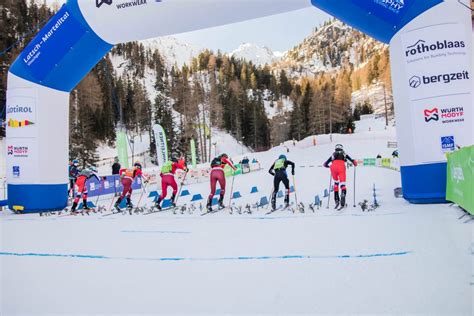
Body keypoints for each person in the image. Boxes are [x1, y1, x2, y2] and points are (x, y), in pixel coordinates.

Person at [323, 144, 357, 208]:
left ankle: (336, 200)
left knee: (336, 183)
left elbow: (325, 164)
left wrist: (329, 166)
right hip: (341, 167)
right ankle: (343, 194)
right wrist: (354, 162)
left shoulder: (333, 154)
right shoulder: (344, 154)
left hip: (333, 167)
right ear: (342, 148)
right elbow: (352, 160)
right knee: (343, 184)